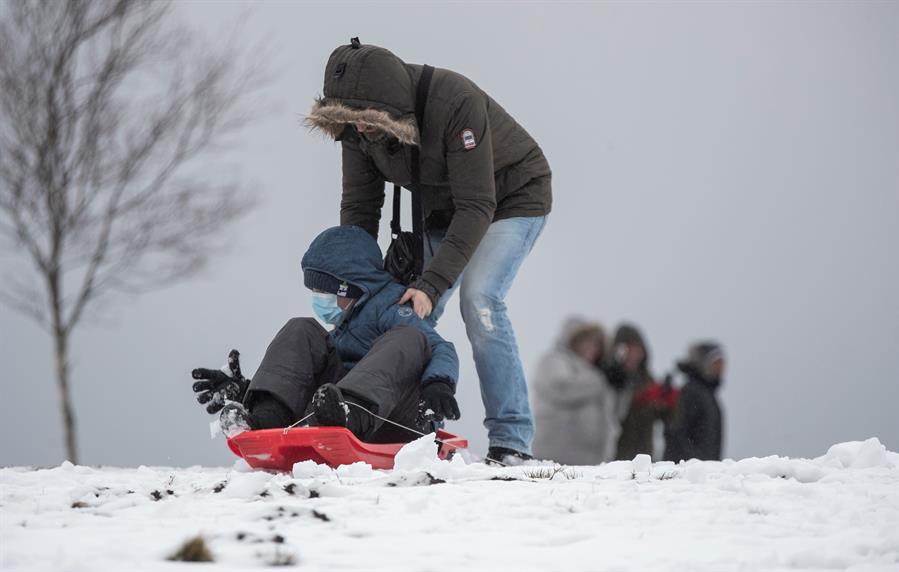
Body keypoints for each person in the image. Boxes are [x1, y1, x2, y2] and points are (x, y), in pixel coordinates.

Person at [305, 39, 552, 464]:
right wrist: (356, 285)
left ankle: (512, 441)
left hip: (510, 200)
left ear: (388, 106)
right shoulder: (357, 126)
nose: (360, 130)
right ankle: (384, 421)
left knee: (480, 300)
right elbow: (361, 209)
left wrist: (432, 284)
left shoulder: (456, 103)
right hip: (443, 210)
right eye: (351, 122)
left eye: (367, 121)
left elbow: (478, 204)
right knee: (399, 315)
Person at [189, 225, 460, 444]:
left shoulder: (391, 307)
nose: (319, 300)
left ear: (350, 288)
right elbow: (310, 377)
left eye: (325, 292)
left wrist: (439, 383)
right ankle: (266, 416)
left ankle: (346, 414)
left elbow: (440, 348)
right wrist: (252, 390)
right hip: (331, 411)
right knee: (302, 329)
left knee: (408, 338)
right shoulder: (343, 326)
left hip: (399, 419)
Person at [531, 318, 620, 465]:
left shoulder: (595, 372)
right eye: (586, 341)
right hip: (554, 456)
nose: (592, 348)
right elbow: (560, 388)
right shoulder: (554, 359)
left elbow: (613, 413)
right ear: (573, 341)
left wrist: (619, 386)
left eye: (596, 344)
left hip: (591, 460)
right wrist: (602, 380)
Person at [664, 342, 726, 462]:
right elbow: (676, 435)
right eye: (716, 363)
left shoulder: (707, 395)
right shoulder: (692, 393)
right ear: (704, 364)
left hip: (700, 472)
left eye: (722, 363)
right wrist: (695, 464)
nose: (720, 368)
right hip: (687, 474)